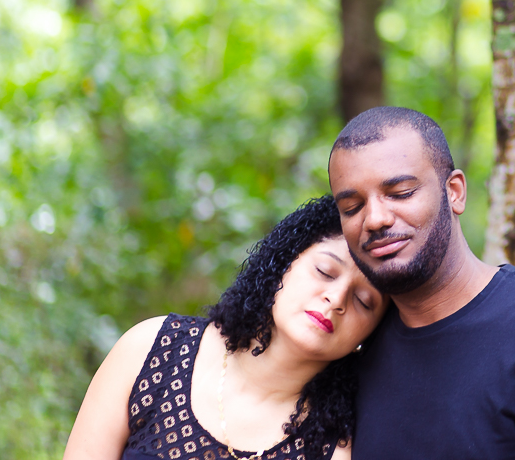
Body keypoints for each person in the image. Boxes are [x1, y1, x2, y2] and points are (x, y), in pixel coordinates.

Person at [328, 106, 515, 460]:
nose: (375, 219)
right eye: (352, 207)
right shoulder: (350, 344)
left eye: (402, 192)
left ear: (454, 192)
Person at [63, 196, 386, 460]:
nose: (336, 298)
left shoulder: (334, 450)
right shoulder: (152, 349)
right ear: (284, 263)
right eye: (325, 271)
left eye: (364, 300)